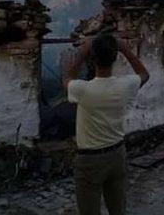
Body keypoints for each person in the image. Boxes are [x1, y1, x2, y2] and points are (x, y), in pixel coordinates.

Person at [63, 32, 150, 215]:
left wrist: (83, 51)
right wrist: (125, 49)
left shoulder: (83, 90)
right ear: (114, 58)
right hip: (117, 154)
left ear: (93, 60)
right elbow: (144, 74)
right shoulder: (125, 86)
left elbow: (66, 78)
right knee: (117, 209)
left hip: (90, 159)